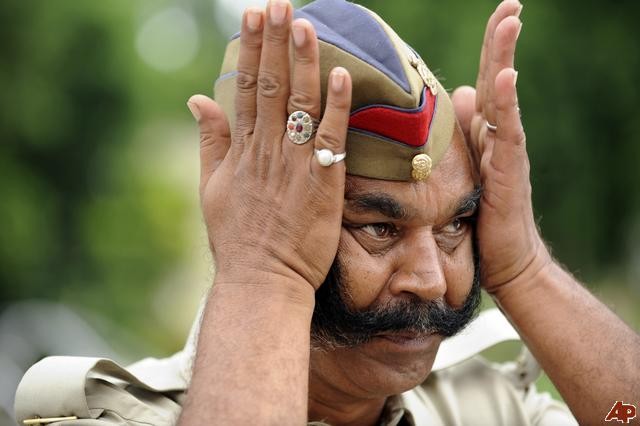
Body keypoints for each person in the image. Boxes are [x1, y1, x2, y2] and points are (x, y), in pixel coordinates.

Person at [14, 0, 639, 425]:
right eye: (378, 228)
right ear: (249, 215)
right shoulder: (110, 412)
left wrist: (527, 269)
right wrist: (263, 271)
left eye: (454, 225)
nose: (429, 278)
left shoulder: (486, 405)